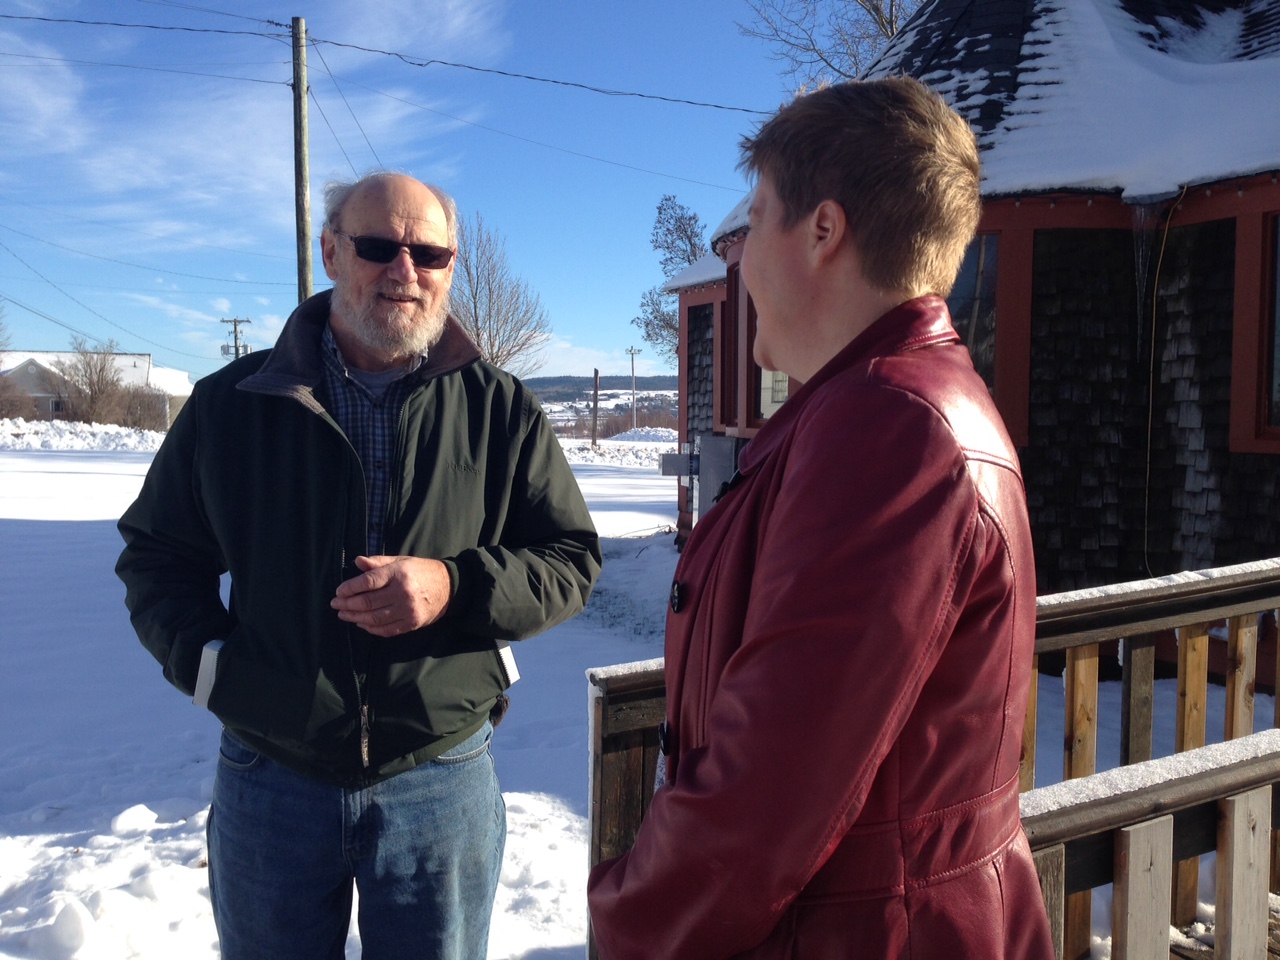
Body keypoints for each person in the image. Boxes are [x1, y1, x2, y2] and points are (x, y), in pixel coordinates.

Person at [587, 77, 1054, 959]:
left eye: (757, 219)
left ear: (823, 230)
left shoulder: (891, 428)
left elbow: (768, 787)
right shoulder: (888, 406)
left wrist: (627, 916)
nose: (739, 259)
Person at [116, 171, 601, 960]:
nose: (405, 270)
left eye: (429, 253)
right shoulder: (232, 404)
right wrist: (215, 672)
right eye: (378, 246)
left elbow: (569, 559)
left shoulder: (499, 408)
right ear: (332, 252)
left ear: (450, 266)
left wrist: (453, 586)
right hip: (272, 773)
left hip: (440, 773)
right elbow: (157, 557)